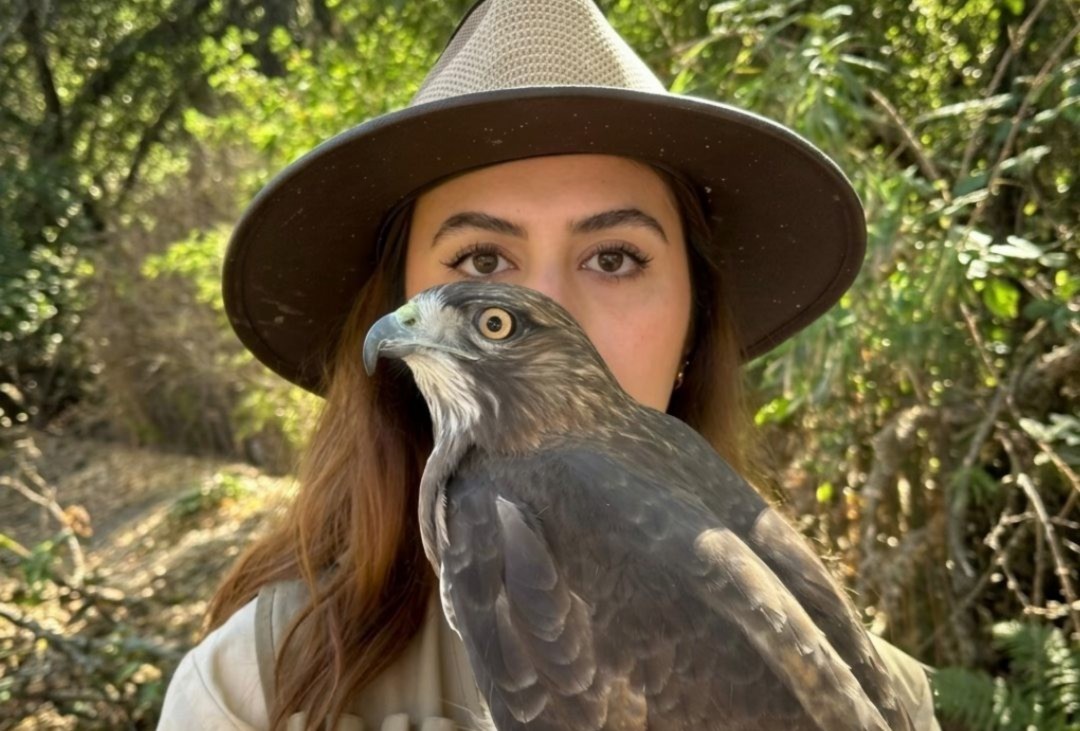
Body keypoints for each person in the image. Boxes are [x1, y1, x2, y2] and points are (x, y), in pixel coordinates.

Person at [158, 0, 941, 729]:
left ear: (696, 321)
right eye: (482, 262)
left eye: (613, 257)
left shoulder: (891, 690)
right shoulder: (253, 689)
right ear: (395, 308)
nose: (551, 309)